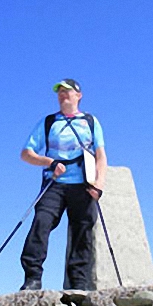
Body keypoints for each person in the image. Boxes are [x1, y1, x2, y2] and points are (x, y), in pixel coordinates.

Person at [19, 78, 107, 291]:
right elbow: (26, 154)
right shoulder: (48, 122)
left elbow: (101, 156)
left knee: (82, 230)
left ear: (79, 95)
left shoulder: (90, 121)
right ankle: (33, 278)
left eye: (67, 91)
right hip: (54, 184)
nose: (62, 94)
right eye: (59, 91)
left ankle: (79, 283)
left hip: (84, 185)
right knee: (41, 223)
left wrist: (99, 185)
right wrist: (50, 162)